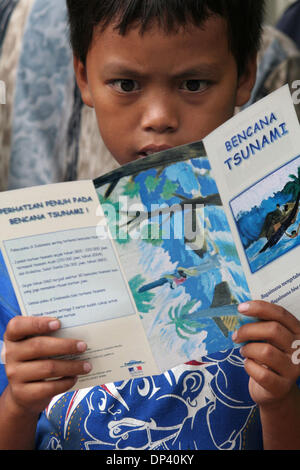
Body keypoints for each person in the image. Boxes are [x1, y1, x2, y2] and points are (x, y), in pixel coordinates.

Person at [0, 0, 300, 451]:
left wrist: (278, 401)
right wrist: (18, 404)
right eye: (126, 84)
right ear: (83, 77)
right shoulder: (26, 260)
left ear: (244, 77)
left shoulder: (283, 252)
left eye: (193, 84)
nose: (158, 117)